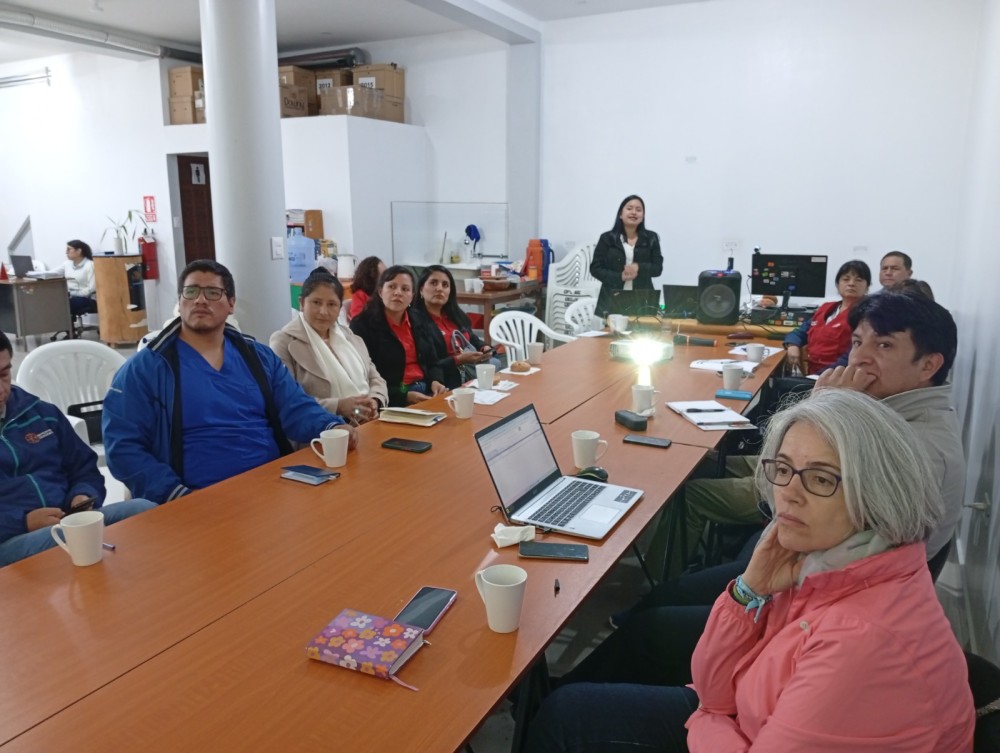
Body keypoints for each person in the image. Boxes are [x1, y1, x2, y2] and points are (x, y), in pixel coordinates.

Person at [525, 389, 975, 753]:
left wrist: (708, 718)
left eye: (821, 478)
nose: (789, 494)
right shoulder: (829, 563)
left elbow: (711, 704)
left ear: (878, 493)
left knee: (568, 720)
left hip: (741, 727)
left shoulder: (860, 638)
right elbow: (712, 688)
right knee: (569, 709)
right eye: (783, 469)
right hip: (747, 721)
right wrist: (748, 590)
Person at [562, 288, 965, 688]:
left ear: (929, 364)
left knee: (651, 628)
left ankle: (569, 699)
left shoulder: (917, 448)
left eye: (884, 345)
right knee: (668, 592)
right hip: (801, 567)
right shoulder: (888, 414)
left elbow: (788, 498)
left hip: (811, 600)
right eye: (858, 342)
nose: (860, 357)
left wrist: (828, 410)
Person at [102, 260, 357, 505]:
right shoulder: (146, 368)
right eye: (191, 292)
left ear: (231, 304)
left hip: (275, 485)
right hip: (195, 497)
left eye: (213, 293)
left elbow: (295, 407)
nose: (200, 300)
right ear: (180, 302)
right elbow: (123, 447)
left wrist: (331, 425)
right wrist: (174, 494)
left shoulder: (258, 358)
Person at [0, 332, 155, 567]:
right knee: (73, 540)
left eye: (4, 374)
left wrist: (82, 495)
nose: (1, 389)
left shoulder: (40, 413)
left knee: (146, 511)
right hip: (11, 540)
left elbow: (83, 468)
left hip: (69, 520)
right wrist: (23, 522)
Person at [270, 268, 388, 424]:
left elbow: (375, 378)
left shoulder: (349, 337)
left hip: (368, 421)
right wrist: (338, 406)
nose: (323, 312)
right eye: (316, 303)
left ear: (339, 308)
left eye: (332, 304)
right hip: (322, 428)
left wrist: (375, 400)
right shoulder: (284, 342)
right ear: (302, 303)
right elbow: (287, 399)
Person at [349, 265, 448, 406]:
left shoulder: (419, 319)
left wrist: (436, 381)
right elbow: (365, 377)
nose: (398, 293)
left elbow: (433, 361)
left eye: (405, 289)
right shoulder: (362, 325)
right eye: (392, 287)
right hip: (396, 393)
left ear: (412, 296)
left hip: (427, 389)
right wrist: (404, 395)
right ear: (380, 291)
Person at [783, 259, 870, 375]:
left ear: (867, 287)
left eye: (858, 280)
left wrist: (819, 377)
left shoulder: (866, 315)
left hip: (838, 376)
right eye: (846, 279)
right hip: (812, 374)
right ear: (837, 284)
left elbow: (853, 354)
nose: (851, 283)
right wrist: (792, 345)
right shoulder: (825, 308)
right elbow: (799, 332)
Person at [414, 264, 498, 386]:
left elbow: (472, 338)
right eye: (433, 283)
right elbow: (429, 365)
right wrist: (459, 359)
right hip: (446, 380)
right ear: (421, 289)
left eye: (445, 285)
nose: (439, 289)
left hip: (470, 373)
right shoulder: (416, 321)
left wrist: (484, 347)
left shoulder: (454, 315)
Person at [589, 195, 663, 316]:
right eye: (629, 208)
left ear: (643, 216)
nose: (634, 212)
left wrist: (639, 267)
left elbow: (658, 268)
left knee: (645, 328)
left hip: (643, 300)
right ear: (620, 214)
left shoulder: (651, 238)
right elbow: (595, 268)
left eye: (638, 210)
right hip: (612, 299)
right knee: (611, 328)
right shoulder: (607, 238)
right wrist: (619, 277)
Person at [63, 239, 98, 318]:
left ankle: (67, 324)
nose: (66, 252)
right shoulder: (67, 264)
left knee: (65, 304)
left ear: (79, 251)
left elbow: (91, 289)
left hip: (87, 298)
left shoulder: (90, 265)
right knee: (56, 302)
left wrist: (72, 294)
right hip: (71, 296)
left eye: (69, 249)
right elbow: (52, 273)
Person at [347, 256, 385, 322]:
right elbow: (357, 319)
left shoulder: (386, 292)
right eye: (382, 276)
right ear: (371, 278)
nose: (387, 278)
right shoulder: (360, 295)